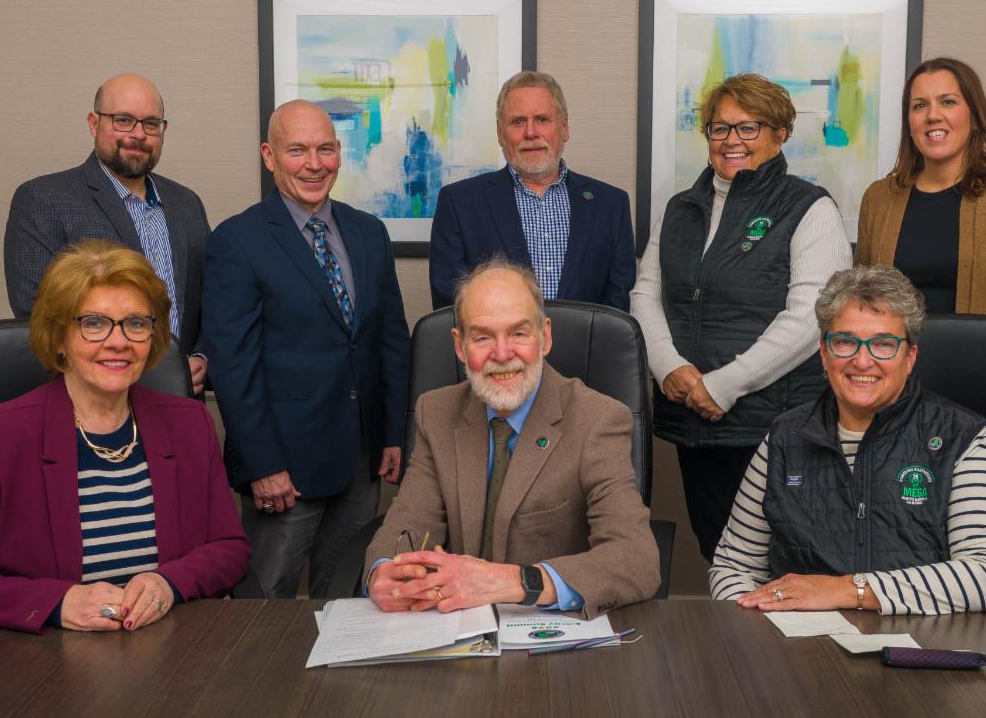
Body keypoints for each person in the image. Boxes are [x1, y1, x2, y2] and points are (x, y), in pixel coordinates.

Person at [0, 241, 250, 633]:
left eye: (136, 323)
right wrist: (57, 602)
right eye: (94, 323)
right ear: (59, 338)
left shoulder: (189, 422)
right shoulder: (1, 434)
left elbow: (230, 549)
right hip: (46, 658)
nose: (119, 341)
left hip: (168, 648)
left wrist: (169, 583)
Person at [709, 265, 986, 614]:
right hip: (801, 641)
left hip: (924, 642)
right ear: (824, 354)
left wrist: (847, 590)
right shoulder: (784, 438)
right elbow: (733, 567)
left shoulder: (963, 438)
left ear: (909, 358)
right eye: (845, 342)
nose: (862, 361)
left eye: (883, 344)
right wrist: (757, 623)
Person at [631, 73, 852, 562]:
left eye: (749, 127)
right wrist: (668, 367)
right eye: (720, 128)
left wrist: (723, 385)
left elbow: (811, 317)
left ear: (780, 134)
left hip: (776, 427)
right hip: (694, 422)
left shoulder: (809, 208)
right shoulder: (679, 209)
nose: (732, 140)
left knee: (786, 564)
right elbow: (645, 296)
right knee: (720, 557)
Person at [366, 259, 660, 619]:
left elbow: (636, 559)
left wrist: (516, 582)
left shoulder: (598, 419)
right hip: (455, 626)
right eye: (482, 337)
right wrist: (384, 573)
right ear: (459, 346)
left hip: (550, 633)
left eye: (519, 334)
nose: (503, 354)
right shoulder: (436, 412)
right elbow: (407, 525)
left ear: (545, 336)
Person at [203, 100, 410, 599]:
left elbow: (389, 339)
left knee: (348, 599)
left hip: (361, 459)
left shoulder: (369, 233)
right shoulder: (238, 240)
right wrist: (262, 464)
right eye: (297, 151)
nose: (314, 164)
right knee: (264, 608)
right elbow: (234, 366)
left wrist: (392, 434)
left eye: (325, 149)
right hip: (284, 468)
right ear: (269, 156)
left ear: (339, 153)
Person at [4, 73, 213, 394]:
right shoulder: (43, 199)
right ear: (94, 123)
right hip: (89, 397)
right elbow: (37, 310)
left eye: (151, 123)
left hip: (180, 397)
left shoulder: (186, 203)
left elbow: (213, 295)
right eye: (123, 120)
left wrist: (202, 355)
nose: (138, 134)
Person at [856, 57, 986, 317]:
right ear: (909, 124)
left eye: (948, 102)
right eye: (919, 105)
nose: (933, 116)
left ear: (975, 116)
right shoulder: (879, 198)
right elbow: (861, 303)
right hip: (893, 345)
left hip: (984, 345)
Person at [429, 71, 635, 311]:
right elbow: (451, 305)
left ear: (564, 127)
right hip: (497, 337)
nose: (530, 133)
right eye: (518, 122)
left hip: (587, 338)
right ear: (500, 133)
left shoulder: (611, 205)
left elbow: (618, 308)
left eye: (542, 119)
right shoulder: (459, 204)